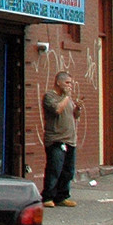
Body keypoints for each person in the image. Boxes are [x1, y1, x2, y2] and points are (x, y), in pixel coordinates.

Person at [41, 70, 80, 206]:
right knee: (54, 169)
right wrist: (67, 97)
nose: (70, 85)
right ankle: (48, 197)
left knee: (68, 171)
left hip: (70, 139)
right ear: (58, 82)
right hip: (56, 140)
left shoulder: (67, 99)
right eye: (67, 82)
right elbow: (57, 110)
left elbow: (74, 116)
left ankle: (62, 196)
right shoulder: (50, 96)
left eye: (71, 83)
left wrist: (78, 108)